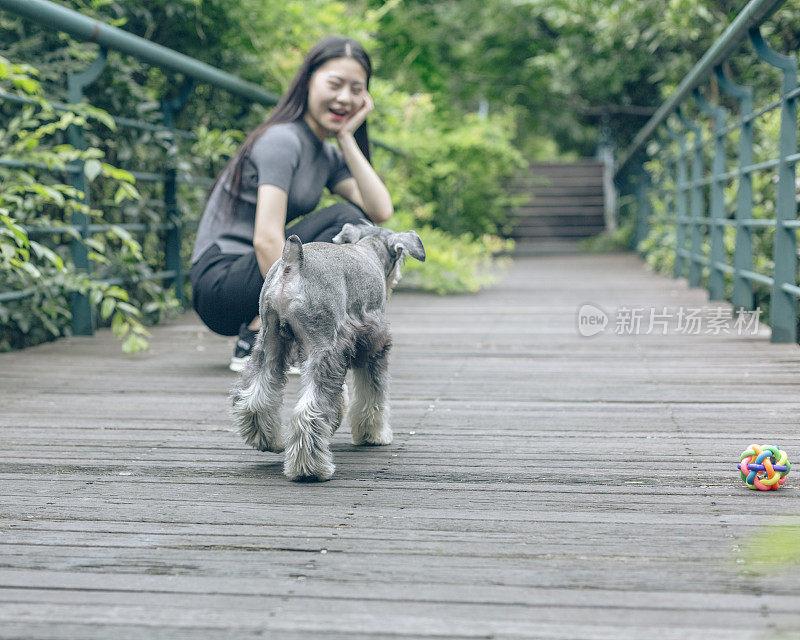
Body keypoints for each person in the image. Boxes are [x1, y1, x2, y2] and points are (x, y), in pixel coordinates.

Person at [190, 36, 393, 371]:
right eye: (335, 84)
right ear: (308, 82)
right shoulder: (283, 140)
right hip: (221, 282)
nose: (345, 97)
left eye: (357, 89)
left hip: (252, 278)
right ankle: (265, 335)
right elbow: (266, 239)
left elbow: (379, 210)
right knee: (345, 219)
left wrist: (346, 138)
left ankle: (266, 333)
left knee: (357, 221)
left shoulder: (325, 153)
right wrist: (301, 321)